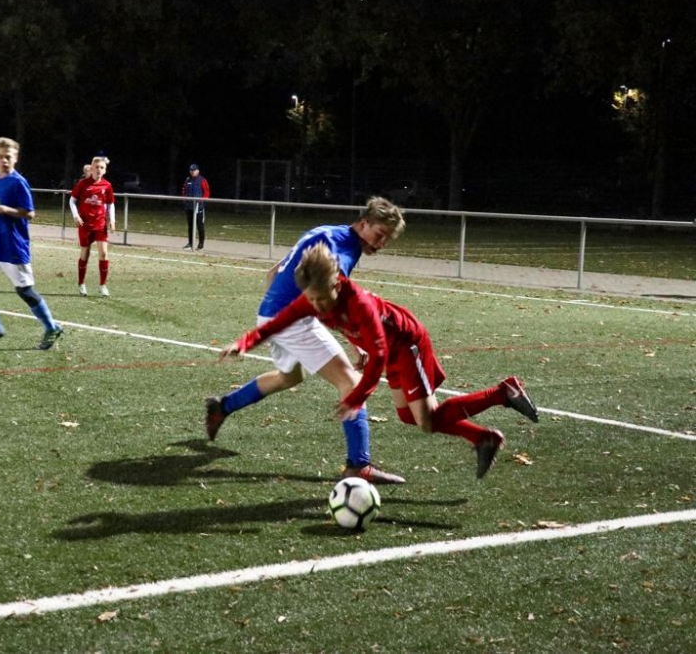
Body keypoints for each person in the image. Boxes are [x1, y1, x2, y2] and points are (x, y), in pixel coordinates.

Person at [220, 243, 540, 479]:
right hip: (388, 349)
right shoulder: (314, 298)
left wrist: (356, 398)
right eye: (311, 299)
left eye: (321, 299)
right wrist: (244, 343)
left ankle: (502, 394)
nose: (316, 306)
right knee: (408, 416)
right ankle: (483, 437)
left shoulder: (360, 306)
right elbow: (278, 323)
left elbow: (380, 357)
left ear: (336, 284)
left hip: (407, 346)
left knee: (426, 420)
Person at [204, 196, 406, 484]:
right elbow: (331, 299)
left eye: (387, 238)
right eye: (380, 234)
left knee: (289, 378)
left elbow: (273, 272)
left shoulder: (326, 232)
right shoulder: (342, 249)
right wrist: (354, 341)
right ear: (364, 223)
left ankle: (222, 406)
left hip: (273, 313)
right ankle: (358, 465)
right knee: (350, 382)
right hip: (292, 319)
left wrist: (272, 309)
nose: (382, 243)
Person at [0, 137, 63, 350]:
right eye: (1, 156)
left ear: (16, 158)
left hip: (14, 247)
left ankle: (51, 327)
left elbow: (30, 213)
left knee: (25, 292)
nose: (4, 160)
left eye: (8, 157)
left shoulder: (18, 182)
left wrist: (4, 210)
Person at [69, 155, 116, 297]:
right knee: (85, 254)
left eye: (102, 167)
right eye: (96, 167)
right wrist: (76, 216)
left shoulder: (107, 185)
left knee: (104, 254)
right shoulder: (83, 184)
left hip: (100, 224)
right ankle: (81, 283)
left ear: (105, 170)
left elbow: (110, 204)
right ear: (92, 168)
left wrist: (112, 220)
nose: (99, 170)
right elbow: (72, 200)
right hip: (85, 225)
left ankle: (103, 285)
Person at [182, 163, 210, 250]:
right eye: (191, 170)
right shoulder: (188, 180)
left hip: (198, 207)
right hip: (189, 206)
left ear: (198, 171)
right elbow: (184, 191)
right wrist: (185, 200)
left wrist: (202, 200)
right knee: (190, 225)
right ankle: (190, 243)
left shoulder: (202, 180)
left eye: (194, 170)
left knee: (200, 225)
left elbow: (207, 192)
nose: (192, 172)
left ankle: (201, 244)